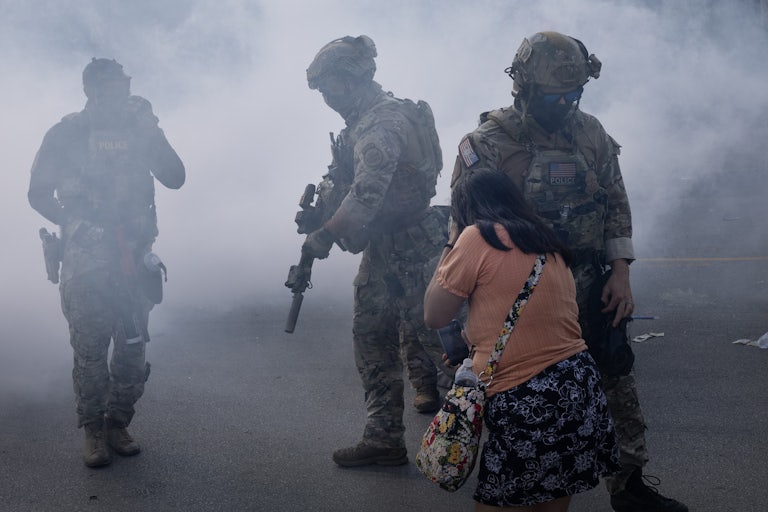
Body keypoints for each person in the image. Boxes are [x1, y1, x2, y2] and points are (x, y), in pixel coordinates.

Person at [450, 31, 688, 512]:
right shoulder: (487, 144)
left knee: (617, 380)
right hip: (522, 303)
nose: (565, 104)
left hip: (589, 286)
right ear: (523, 87)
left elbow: (615, 203)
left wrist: (620, 271)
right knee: (522, 403)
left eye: (574, 93)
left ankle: (630, 486)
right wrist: (461, 320)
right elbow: (463, 234)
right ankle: (513, 493)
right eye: (554, 95)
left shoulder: (590, 132)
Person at [425, 169, 620, 511]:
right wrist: (474, 341)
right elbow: (535, 317)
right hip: (579, 387)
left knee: (497, 502)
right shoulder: (546, 242)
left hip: (528, 397)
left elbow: (434, 314)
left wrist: (451, 242)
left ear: (465, 211)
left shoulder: (476, 236)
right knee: (550, 505)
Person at [28, 58, 185, 467]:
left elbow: (176, 176)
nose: (119, 94)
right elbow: (38, 192)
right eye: (109, 87)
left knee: (132, 345)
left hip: (133, 256)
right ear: (90, 91)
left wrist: (153, 134)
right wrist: (74, 223)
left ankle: (118, 422)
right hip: (87, 260)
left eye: (123, 86)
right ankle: (93, 431)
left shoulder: (140, 131)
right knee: (91, 350)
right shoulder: (67, 133)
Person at [301, 35, 449, 466]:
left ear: (351, 80)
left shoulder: (380, 122)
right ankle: (383, 437)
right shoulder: (364, 120)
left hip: (414, 245)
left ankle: (504, 433)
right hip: (385, 246)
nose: (326, 96)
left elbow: (367, 193)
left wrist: (324, 235)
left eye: (330, 86)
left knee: (442, 345)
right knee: (372, 337)